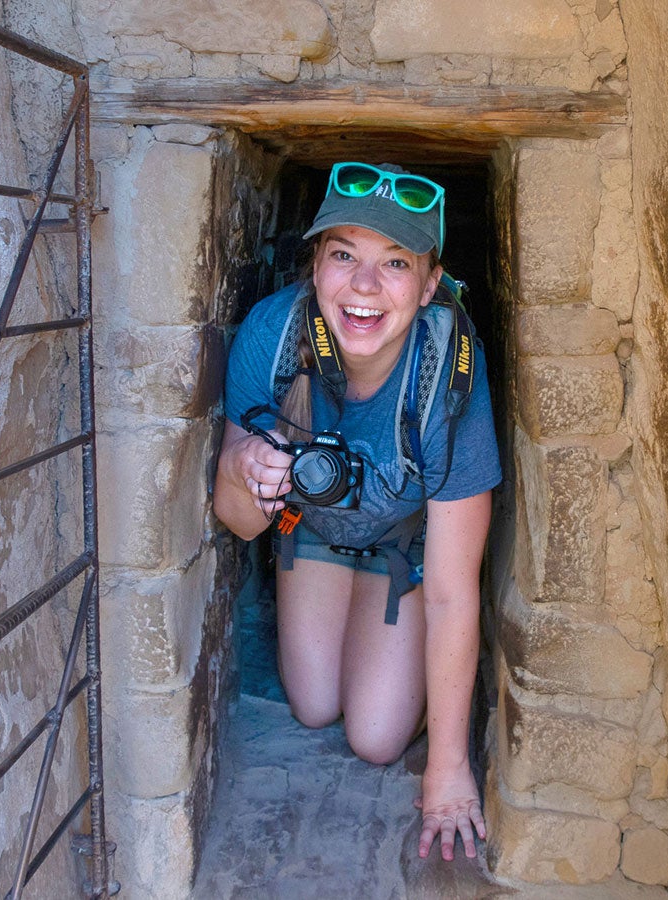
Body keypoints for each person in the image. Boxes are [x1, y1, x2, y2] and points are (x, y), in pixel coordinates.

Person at [214, 162, 502, 863]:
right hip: (308, 532)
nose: (364, 286)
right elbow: (237, 521)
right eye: (344, 254)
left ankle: (378, 630)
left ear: (430, 285)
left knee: (375, 737)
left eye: (395, 263)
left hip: (405, 553)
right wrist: (246, 470)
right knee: (313, 705)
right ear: (315, 265)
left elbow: (454, 591)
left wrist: (449, 768)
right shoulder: (273, 334)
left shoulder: (450, 371)